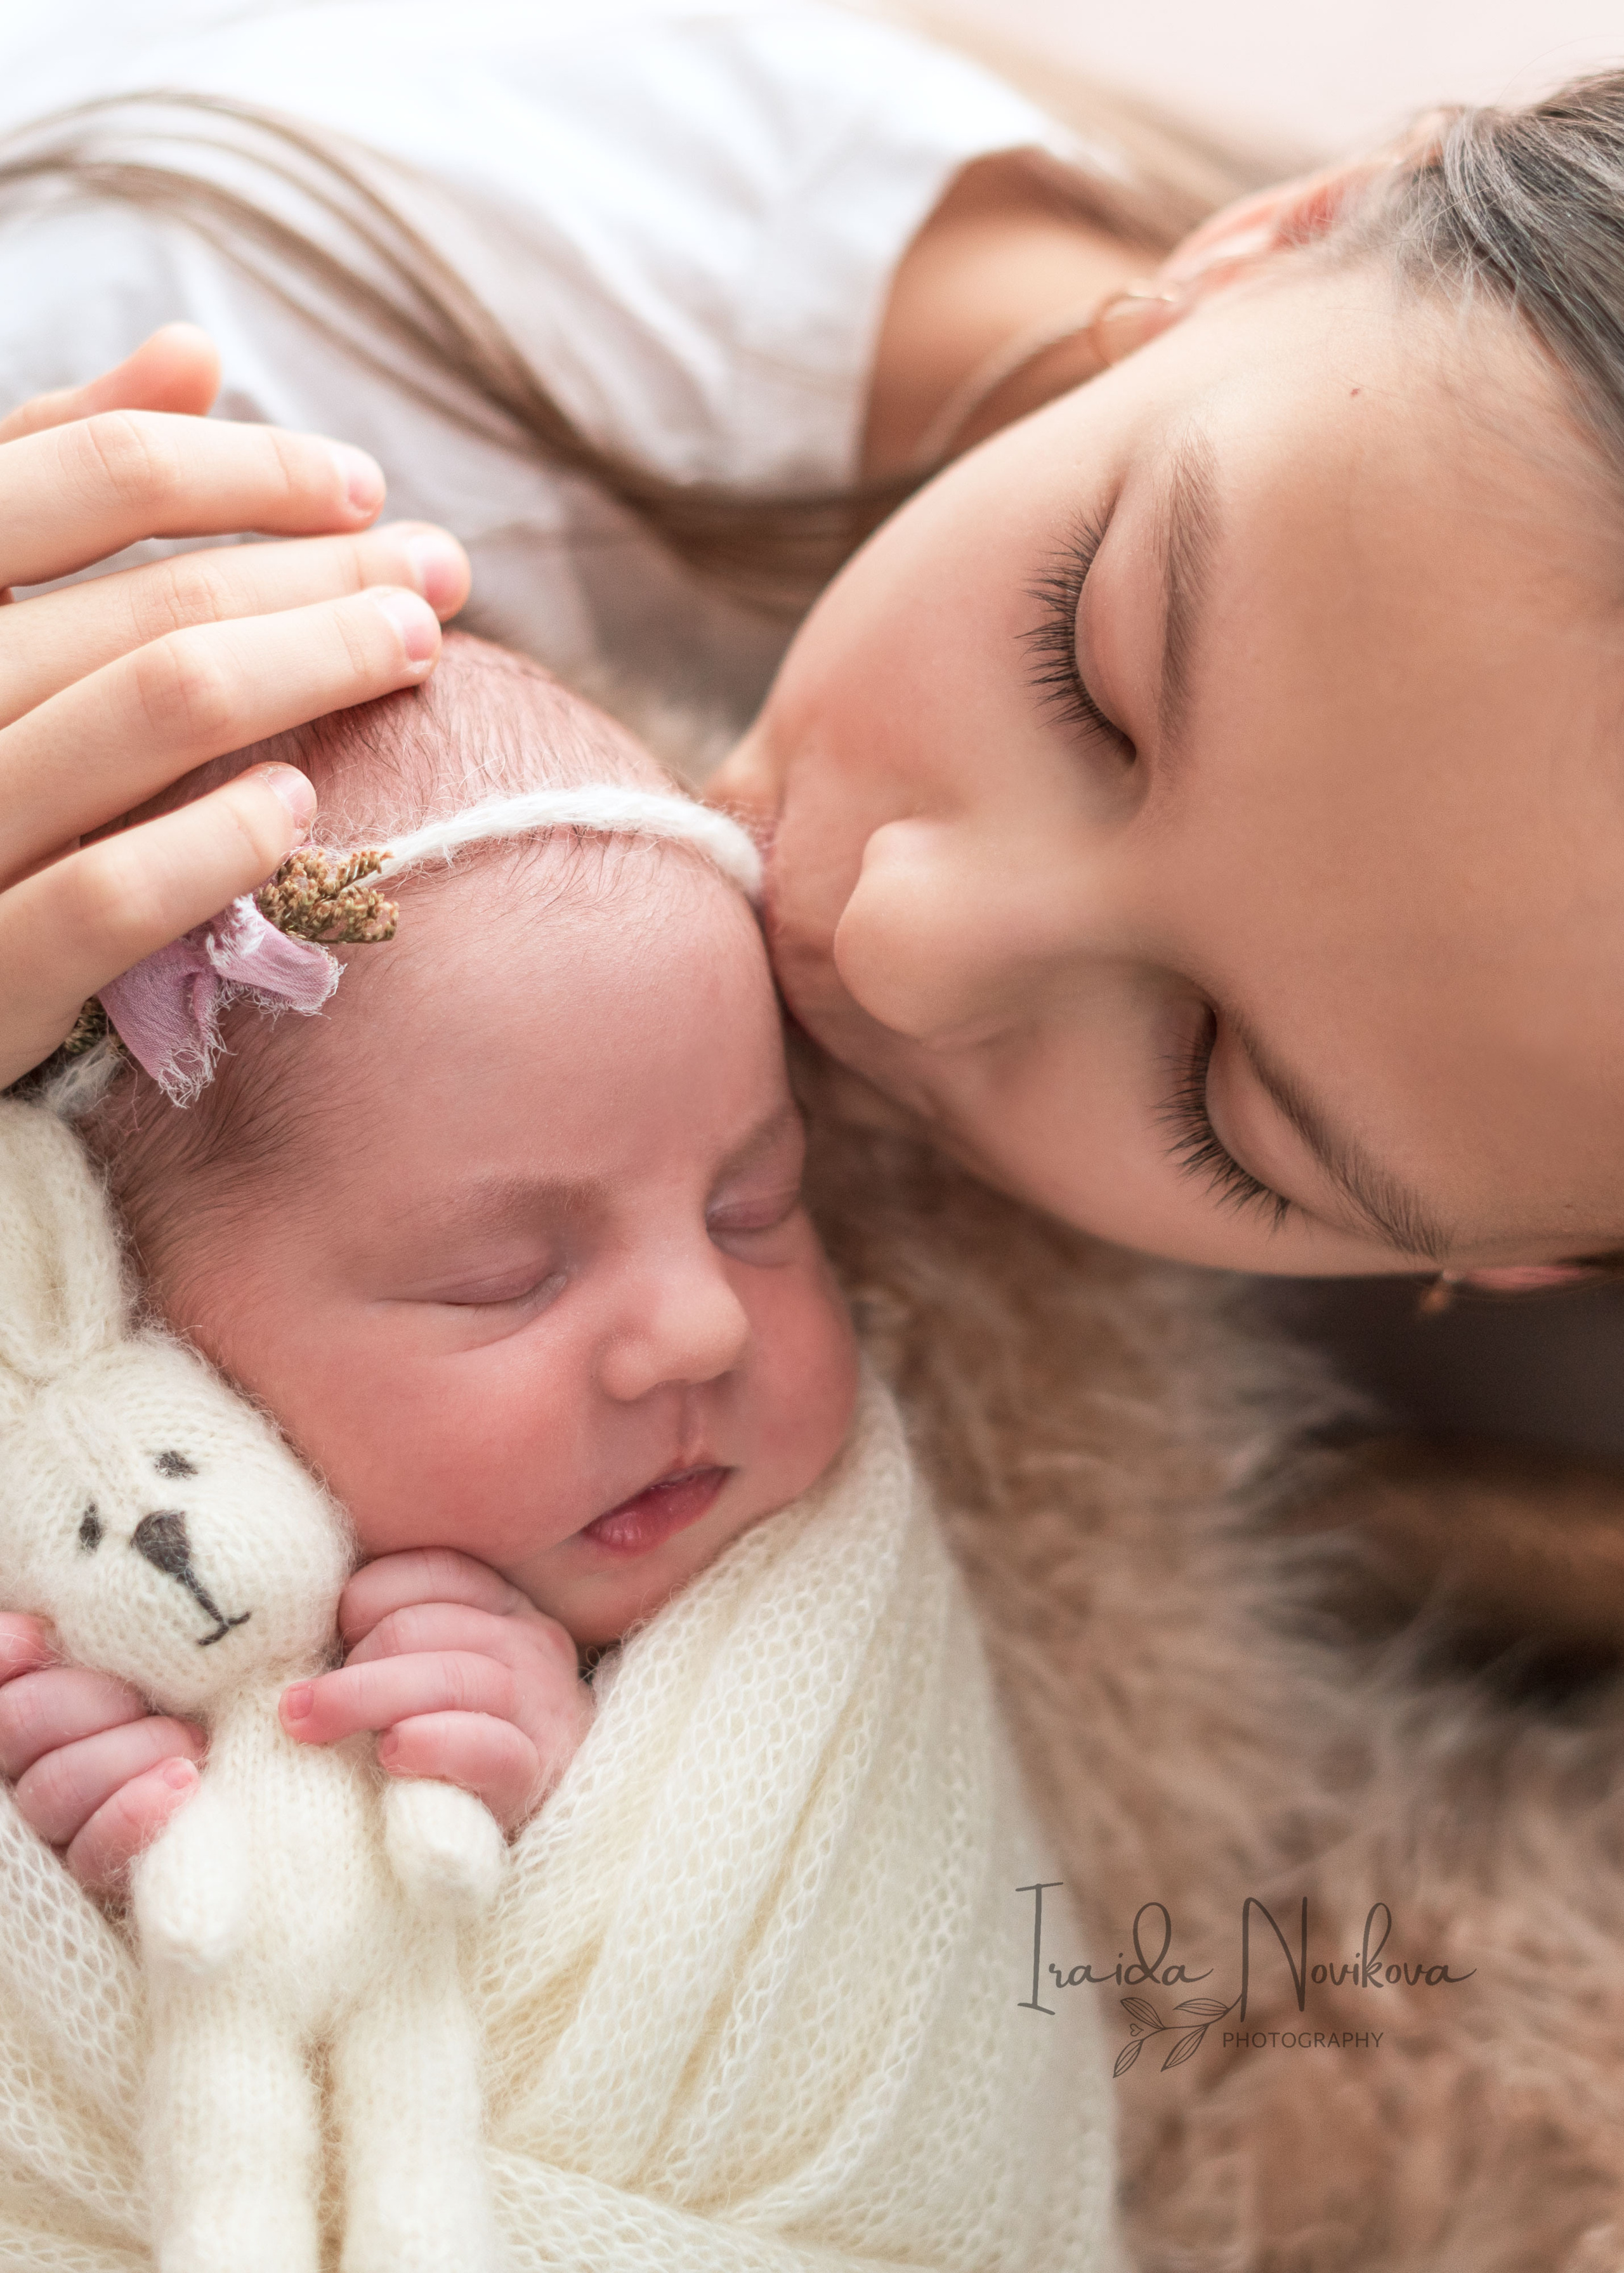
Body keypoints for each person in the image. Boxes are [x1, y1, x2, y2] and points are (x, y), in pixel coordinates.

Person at [0, 1, 1620, 1303]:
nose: (903, 940)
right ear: (1268, 241)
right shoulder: (227, 416)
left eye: (1217, 1102)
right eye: (1083, 675)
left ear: (1498, 1267)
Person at [0, 634, 1116, 2269]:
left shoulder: (803, 1595)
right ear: (135, 1313)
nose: (700, 1325)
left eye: (754, 1206)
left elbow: (887, 1989)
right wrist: (95, 1874)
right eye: (505, 1277)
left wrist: (564, 1814)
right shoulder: (83, 1543)